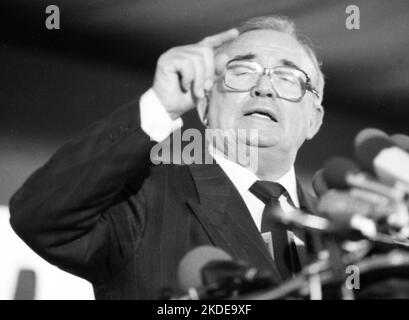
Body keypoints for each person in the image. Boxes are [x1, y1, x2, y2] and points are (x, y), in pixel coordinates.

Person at [9, 15, 326, 299]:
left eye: (288, 77)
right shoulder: (144, 196)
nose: (264, 88)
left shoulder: (345, 229)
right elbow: (40, 215)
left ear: (314, 120)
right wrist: (160, 105)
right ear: (203, 106)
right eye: (242, 70)